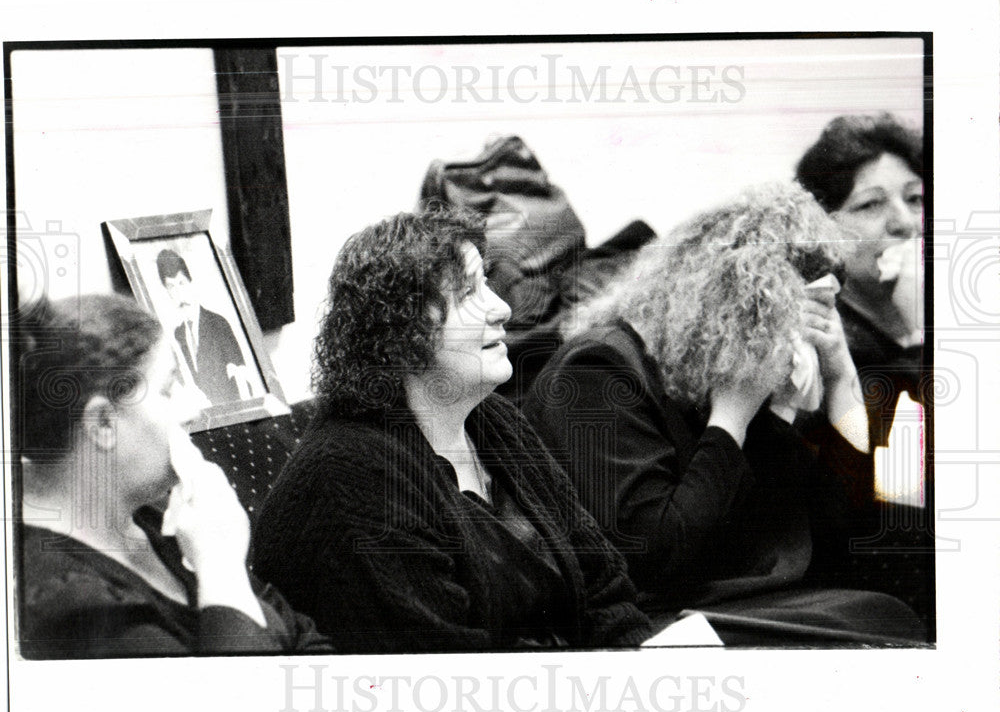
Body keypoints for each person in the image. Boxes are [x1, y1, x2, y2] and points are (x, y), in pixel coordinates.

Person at [521, 182, 926, 643]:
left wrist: (838, 379)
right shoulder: (597, 369)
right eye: (796, 310)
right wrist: (731, 418)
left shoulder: (715, 377)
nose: (800, 333)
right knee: (881, 617)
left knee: (890, 601)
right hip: (650, 620)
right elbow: (650, 555)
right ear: (738, 300)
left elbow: (879, 520)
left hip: (729, 599)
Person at [251, 207, 651, 653]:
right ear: (399, 331)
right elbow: (446, 669)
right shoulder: (350, 476)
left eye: (488, 285)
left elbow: (605, 586)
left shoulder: (494, 421)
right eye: (467, 295)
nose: (502, 308)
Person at [16, 293, 331, 659]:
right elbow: (238, 709)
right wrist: (220, 568)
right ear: (102, 423)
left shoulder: (152, 516)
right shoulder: (68, 606)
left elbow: (310, 642)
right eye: (168, 389)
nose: (193, 409)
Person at [795, 113, 925, 448]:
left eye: (915, 198)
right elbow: (898, 474)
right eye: (871, 204)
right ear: (825, 230)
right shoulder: (824, 343)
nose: (905, 224)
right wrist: (921, 331)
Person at [155, 248, 248, 406]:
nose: (178, 293)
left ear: (191, 283)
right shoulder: (178, 334)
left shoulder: (218, 324)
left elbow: (242, 382)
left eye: (181, 283)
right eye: (171, 287)